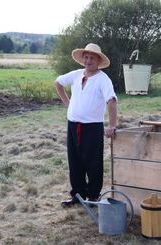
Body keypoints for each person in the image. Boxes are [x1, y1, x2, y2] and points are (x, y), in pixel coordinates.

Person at [55, 43, 118, 207]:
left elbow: (111, 101)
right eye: (87, 57)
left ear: (98, 60)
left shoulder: (103, 79)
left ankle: (93, 197)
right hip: (73, 125)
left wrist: (111, 125)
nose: (89, 60)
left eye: (92, 58)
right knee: (74, 161)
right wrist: (68, 103)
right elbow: (58, 83)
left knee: (93, 162)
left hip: (92, 127)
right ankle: (78, 195)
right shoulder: (76, 74)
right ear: (83, 59)